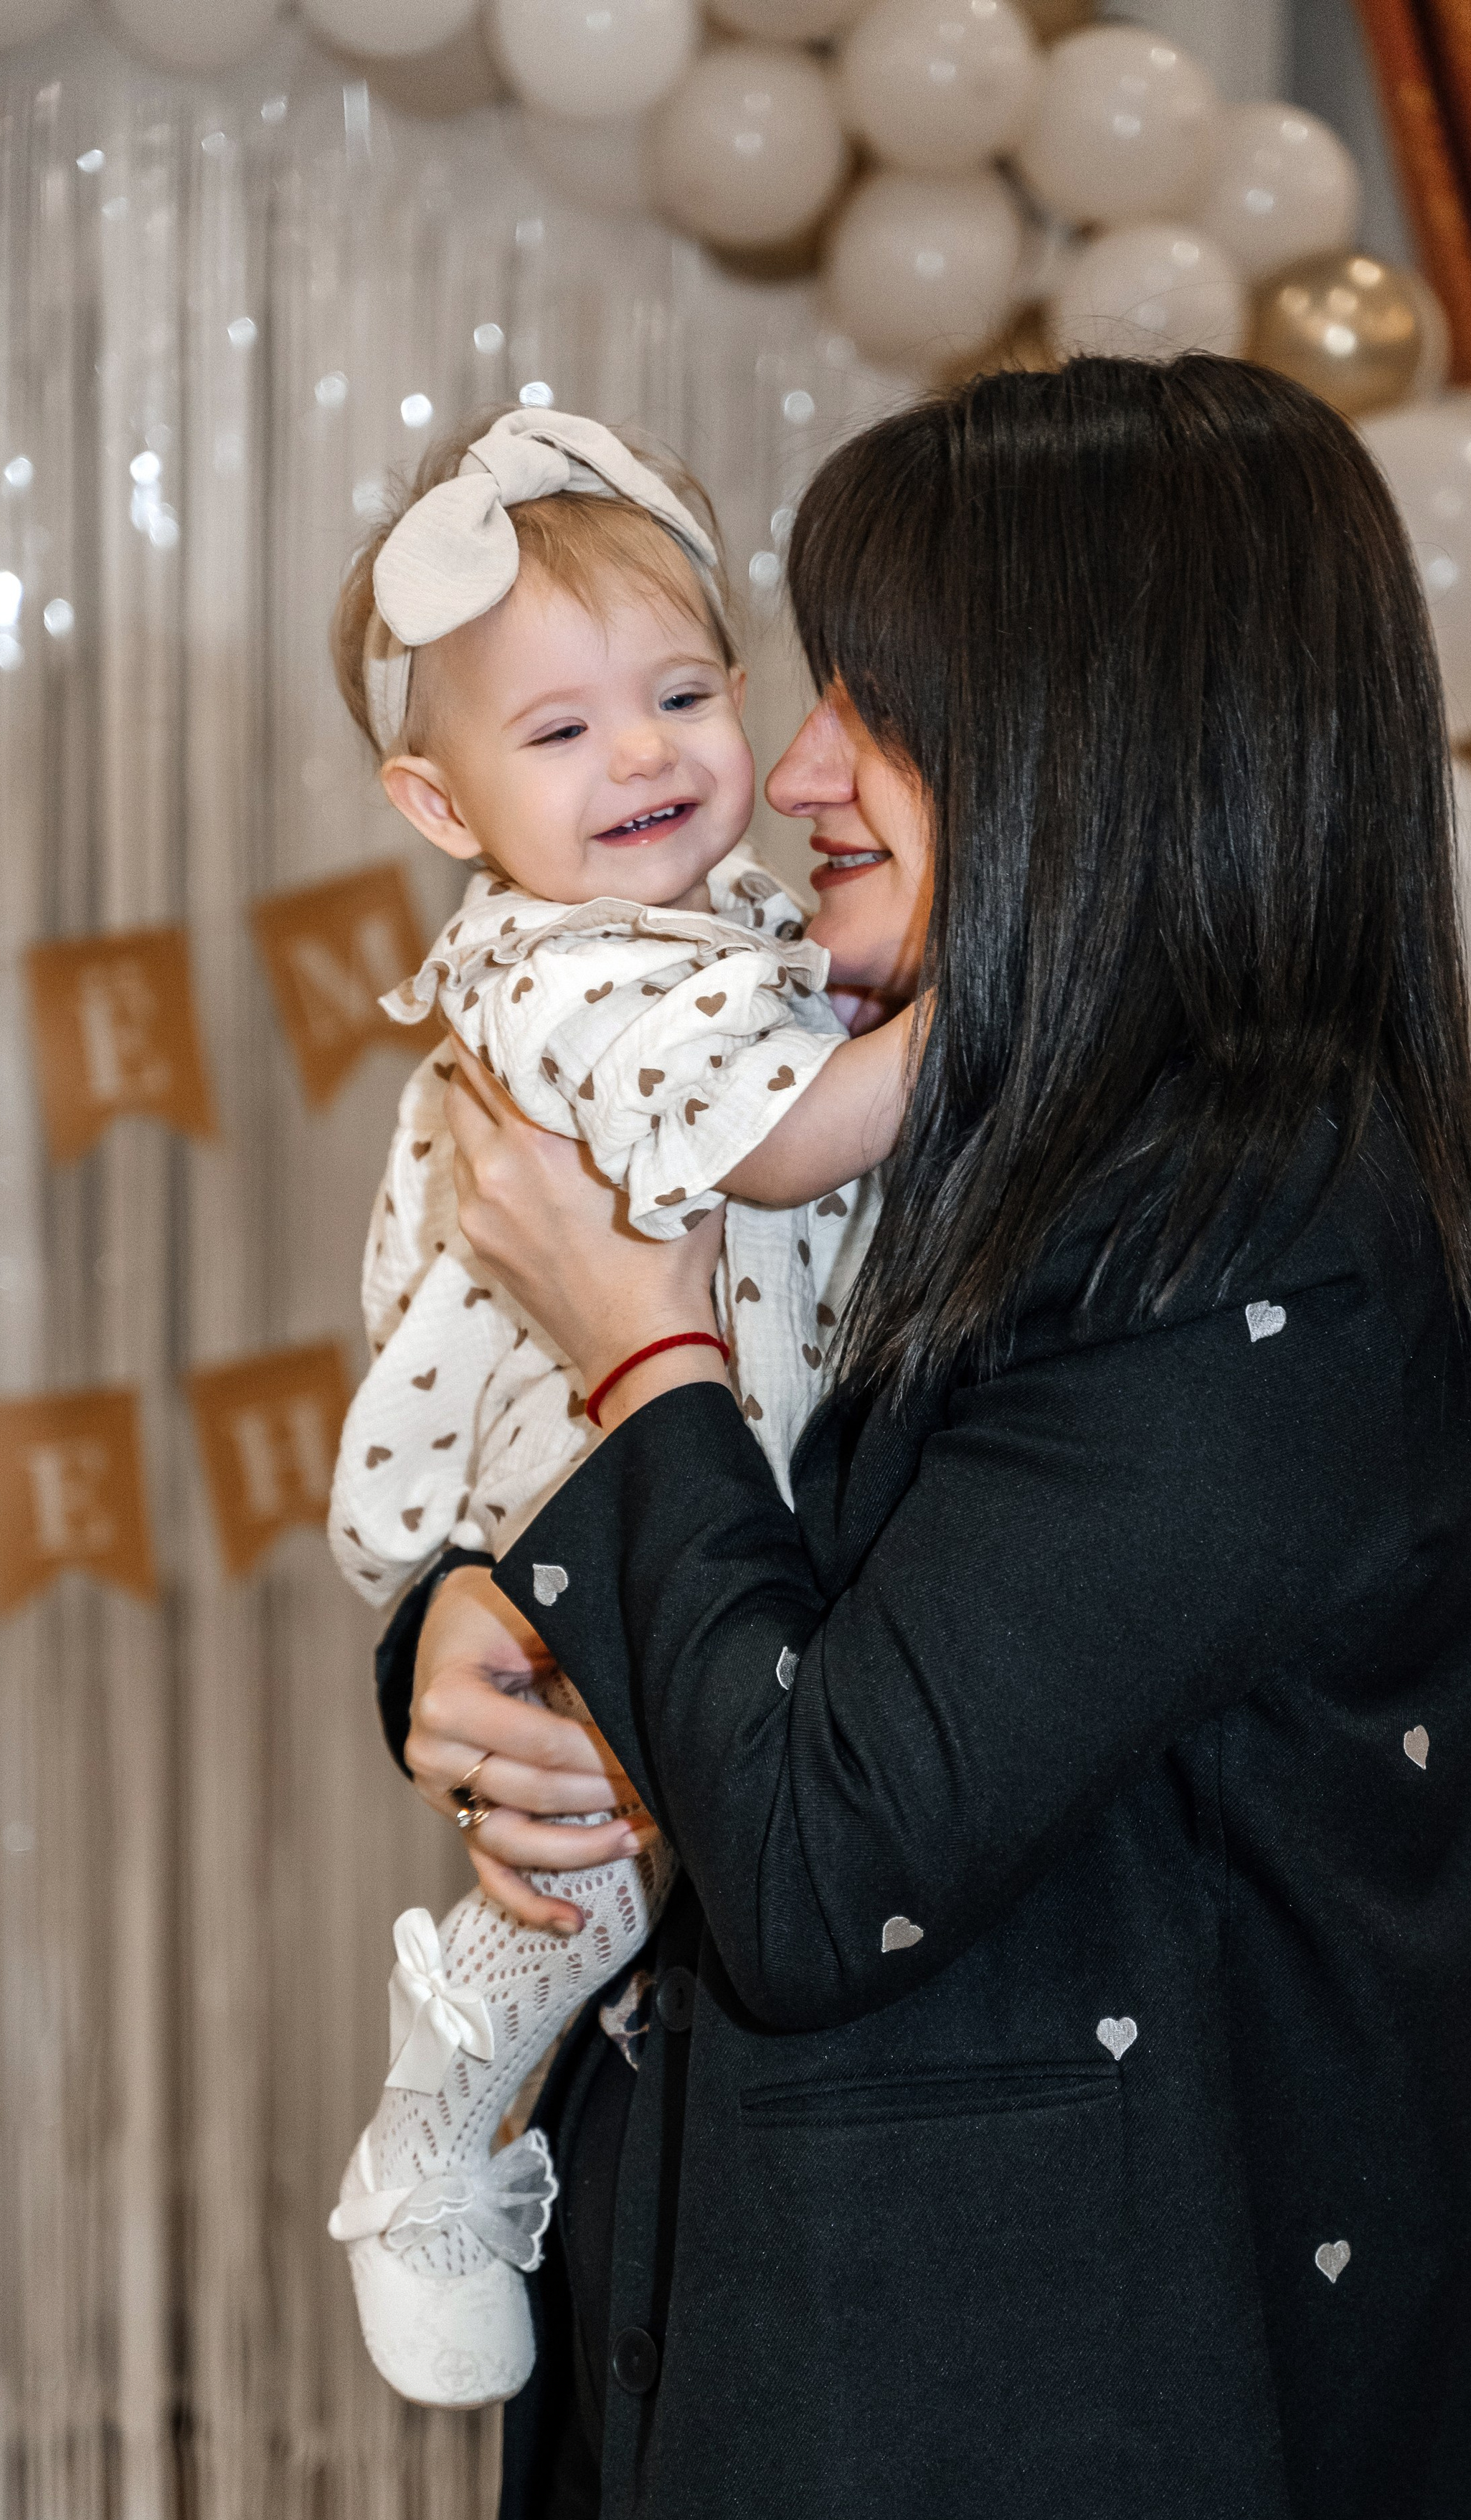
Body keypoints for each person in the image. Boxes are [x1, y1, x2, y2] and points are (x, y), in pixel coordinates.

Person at [397, 355, 1471, 2520]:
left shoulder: (1270, 1230)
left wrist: (638, 1355)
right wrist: (450, 1643)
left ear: (1099, 741)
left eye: (881, 706)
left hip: (1035, 2469)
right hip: (759, 2360)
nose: (795, 773)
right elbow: (697, 1551)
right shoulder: (911, 1082)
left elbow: (833, 1853)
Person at [321, 405, 913, 2410]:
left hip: (688, 1453)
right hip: (577, 1460)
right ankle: (434, 2140)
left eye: (679, 693)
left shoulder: (720, 931)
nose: (644, 755)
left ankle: (460, 2110)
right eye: (559, 735)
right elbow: (799, 1140)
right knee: (590, 1846)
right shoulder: (562, 975)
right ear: (440, 800)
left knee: (649, 1839)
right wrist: (1013, 983)